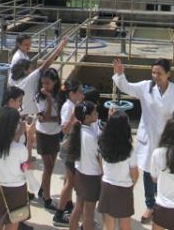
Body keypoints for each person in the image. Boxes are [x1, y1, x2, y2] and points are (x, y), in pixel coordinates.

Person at [112, 58, 174, 223]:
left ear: (168, 74)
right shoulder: (145, 87)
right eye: (153, 72)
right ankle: (150, 205)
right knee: (147, 172)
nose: (156, 76)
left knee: (163, 171)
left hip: (167, 137)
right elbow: (127, 87)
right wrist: (119, 74)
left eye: (159, 73)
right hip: (147, 136)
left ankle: (162, 203)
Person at [9, 36, 68, 161]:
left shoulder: (17, 80)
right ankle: (25, 161)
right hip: (24, 115)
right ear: (25, 71)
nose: (33, 69)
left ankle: (27, 157)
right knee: (22, 142)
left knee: (23, 139)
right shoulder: (28, 79)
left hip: (21, 113)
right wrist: (59, 48)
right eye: (30, 68)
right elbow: (46, 65)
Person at [0, 106, 33, 230]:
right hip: (17, 191)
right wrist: (30, 138)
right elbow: (26, 167)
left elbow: (8, 146)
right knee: (12, 224)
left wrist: (18, 134)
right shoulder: (20, 149)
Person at [98, 110, 139, 230]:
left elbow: (100, 163)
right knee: (125, 226)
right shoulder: (129, 149)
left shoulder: (102, 143)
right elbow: (135, 174)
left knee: (108, 225)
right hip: (124, 189)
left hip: (106, 186)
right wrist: (131, 185)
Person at [52, 79, 84, 227]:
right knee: (70, 182)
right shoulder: (68, 107)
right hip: (69, 147)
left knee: (68, 180)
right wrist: (73, 117)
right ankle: (59, 214)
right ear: (72, 93)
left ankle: (68, 205)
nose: (82, 94)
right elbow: (65, 129)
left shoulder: (73, 105)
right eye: (80, 92)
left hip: (72, 146)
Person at [67, 101, 101, 230]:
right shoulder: (91, 136)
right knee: (89, 213)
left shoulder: (78, 130)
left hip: (80, 173)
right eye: (94, 112)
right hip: (91, 177)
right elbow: (99, 158)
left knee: (78, 206)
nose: (97, 113)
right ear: (87, 117)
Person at [34, 68, 63, 210]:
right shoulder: (40, 97)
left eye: (48, 83)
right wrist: (50, 101)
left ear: (55, 82)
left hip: (55, 134)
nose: (45, 86)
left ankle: (42, 189)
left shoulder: (60, 95)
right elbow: (44, 119)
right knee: (48, 166)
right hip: (43, 134)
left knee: (50, 167)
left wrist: (55, 118)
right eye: (43, 83)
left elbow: (59, 118)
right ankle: (46, 199)